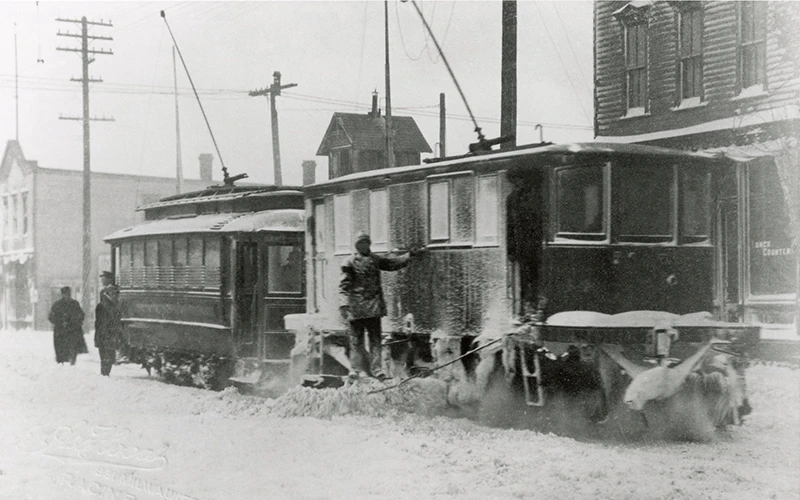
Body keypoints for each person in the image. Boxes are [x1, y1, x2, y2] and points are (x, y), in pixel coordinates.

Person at [339, 232, 424, 381]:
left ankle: (377, 369)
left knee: (375, 340)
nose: (364, 246)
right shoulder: (349, 262)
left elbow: (392, 264)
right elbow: (343, 286)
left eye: (366, 243)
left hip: (373, 306)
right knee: (356, 341)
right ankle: (355, 369)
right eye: (361, 244)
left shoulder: (375, 260)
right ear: (357, 246)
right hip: (356, 308)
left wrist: (409, 255)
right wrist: (343, 304)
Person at [48, 286, 86, 365]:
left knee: (72, 348)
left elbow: (81, 315)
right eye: (65, 294)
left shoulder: (75, 304)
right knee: (60, 349)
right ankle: (61, 363)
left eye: (68, 294)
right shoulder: (57, 305)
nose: (67, 295)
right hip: (60, 331)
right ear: (62, 294)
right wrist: (60, 322)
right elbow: (51, 317)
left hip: (72, 331)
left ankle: (72, 363)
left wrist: (74, 321)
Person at [95, 271, 122, 376]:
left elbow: (113, 309)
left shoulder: (112, 291)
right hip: (104, 324)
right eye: (102, 278)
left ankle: (105, 370)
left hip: (108, 325)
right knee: (104, 347)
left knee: (107, 348)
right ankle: (104, 369)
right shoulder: (104, 291)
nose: (102, 280)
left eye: (104, 278)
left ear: (110, 279)